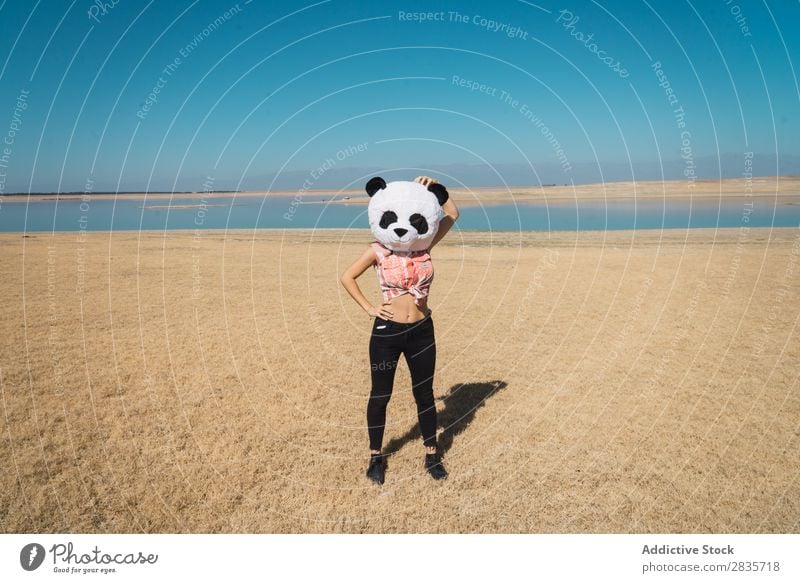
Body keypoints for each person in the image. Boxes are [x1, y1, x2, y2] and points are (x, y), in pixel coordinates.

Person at [340, 175, 459, 484]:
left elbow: (453, 215)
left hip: (421, 329)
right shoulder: (379, 250)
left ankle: (432, 455)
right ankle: (376, 458)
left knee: (425, 394)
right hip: (386, 333)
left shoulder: (426, 244)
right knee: (381, 395)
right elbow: (347, 277)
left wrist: (436, 189)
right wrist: (369, 307)